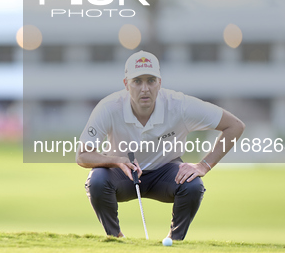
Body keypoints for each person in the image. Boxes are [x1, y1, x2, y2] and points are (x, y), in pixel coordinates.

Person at [76, 50, 245, 240]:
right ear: (126, 84)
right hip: (122, 173)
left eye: (151, 80)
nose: (145, 88)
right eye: (137, 81)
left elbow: (235, 126)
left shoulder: (180, 105)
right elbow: (82, 155)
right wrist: (116, 161)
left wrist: (204, 165)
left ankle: (174, 241)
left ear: (160, 83)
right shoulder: (108, 107)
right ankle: (116, 238)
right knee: (97, 180)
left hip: (166, 171)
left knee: (193, 185)